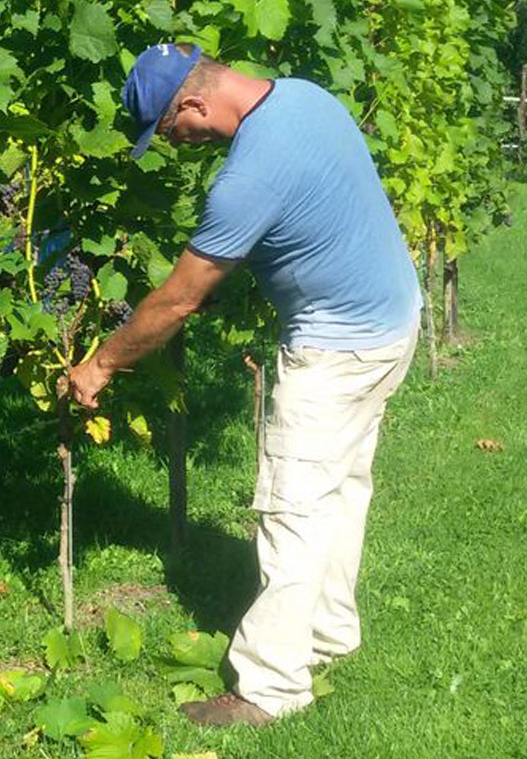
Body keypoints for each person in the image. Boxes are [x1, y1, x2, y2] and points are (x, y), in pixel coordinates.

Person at [63, 43, 422, 727]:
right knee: (339, 490)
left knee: (292, 507)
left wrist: (101, 363)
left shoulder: (249, 177)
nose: (175, 144)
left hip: (336, 348)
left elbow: (178, 300)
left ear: (192, 103)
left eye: (168, 130)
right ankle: (329, 633)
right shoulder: (304, 97)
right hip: (391, 320)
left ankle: (270, 687)